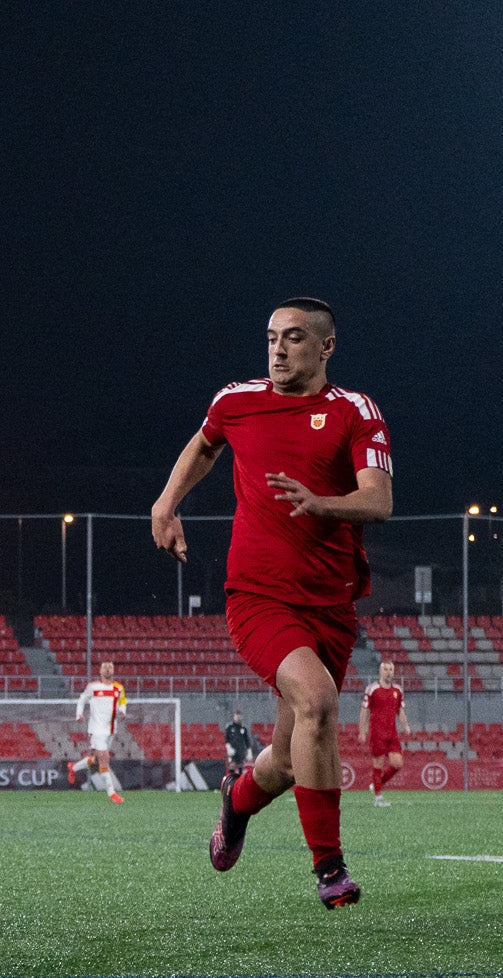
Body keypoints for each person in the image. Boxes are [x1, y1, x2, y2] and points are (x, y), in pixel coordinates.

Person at [151, 297, 394, 906]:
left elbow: (379, 501)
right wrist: (166, 504)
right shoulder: (236, 400)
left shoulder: (355, 411)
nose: (278, 350)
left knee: (286, 761)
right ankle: (330, 869)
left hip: (331, 604)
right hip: (258, 597)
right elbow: (205, 444)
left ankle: (235, 802)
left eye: (292, 339)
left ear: (325, 347)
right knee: (318, 700)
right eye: (271, 338)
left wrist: (322, 503)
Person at [68, 661, 127, 803]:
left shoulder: (119, 688)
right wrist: (79, 714)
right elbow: (82, 699)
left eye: (110, 667)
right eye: (104, 667)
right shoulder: (93, 687)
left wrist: (123, 711)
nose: (107, 669)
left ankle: (73, 767)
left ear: (113, 670)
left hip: (111, 729)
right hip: (96, 729)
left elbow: (123, 701)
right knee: (104, 758)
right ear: (100, 671)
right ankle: (112, 793)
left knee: (94, 759)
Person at [360, 659, 407, 807]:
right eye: (386, 669)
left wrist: (406, 725)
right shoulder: (372, 689)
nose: (388, 672)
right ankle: (378, 799)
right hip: (377, 733)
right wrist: (362, 730)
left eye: (391, 670)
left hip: (392, 734)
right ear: (380, 671)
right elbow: (364, 710)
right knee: (378, 765)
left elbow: (400, 710)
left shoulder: (398, 690)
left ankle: (377, 784)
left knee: (398, 763)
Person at [223, 710, 255, 778]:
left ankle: (239, 781)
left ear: (241, 717)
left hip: (241, 750)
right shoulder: (230, 727)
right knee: (232, 765)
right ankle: (230, 780)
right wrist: (228, 747)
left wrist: (249, 750)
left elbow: (247, 740)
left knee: (240, 765)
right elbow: (226, 738)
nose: (238, 718)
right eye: (236, 716)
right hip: (232, 750)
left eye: (239, 716)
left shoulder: (243, 728)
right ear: (234, 717)